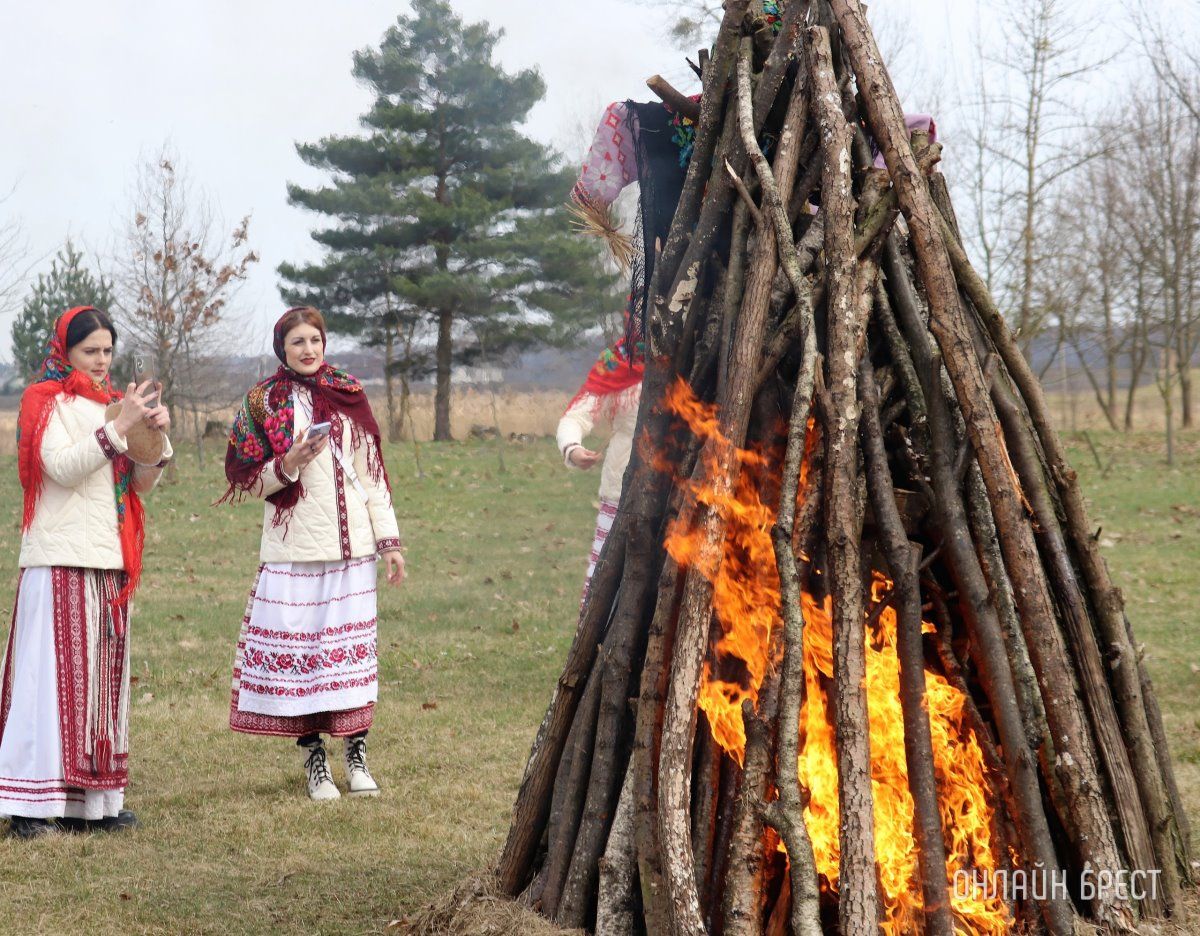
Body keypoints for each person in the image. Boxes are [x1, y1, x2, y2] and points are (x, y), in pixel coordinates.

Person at [0, 306, 172, 839]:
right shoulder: (43, 400)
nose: (101, 361)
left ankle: (88, 808)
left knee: (98, 687)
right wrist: (119, 427)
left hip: (108, 559)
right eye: (90, 351)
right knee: (49, 684)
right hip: (58, 560)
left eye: (107, 351)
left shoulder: (109, 404)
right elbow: (61, 468)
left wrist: (153, 441)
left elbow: (138, 488)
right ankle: (28, 807)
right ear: (66, 351)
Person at [221, 306, 404, 802]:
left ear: (325, 344)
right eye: (297, 342)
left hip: (352, 550)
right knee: (305, 658)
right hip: (294, 551)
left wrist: (388, 541)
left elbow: (372, 476)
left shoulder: (349, 393)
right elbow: (246, 478)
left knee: (348, 658)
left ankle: (356, 753)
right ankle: (314, 759)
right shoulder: (263, 402)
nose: (307, 349)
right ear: (282, 348)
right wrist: (289, 464)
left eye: (315, 340)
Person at [556, 327, 643, 603]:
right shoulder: (619, 361)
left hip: (683, 492)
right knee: (607, 582)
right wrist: (573, 447)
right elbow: (576, 416)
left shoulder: (696, 352)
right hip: (621, 492)